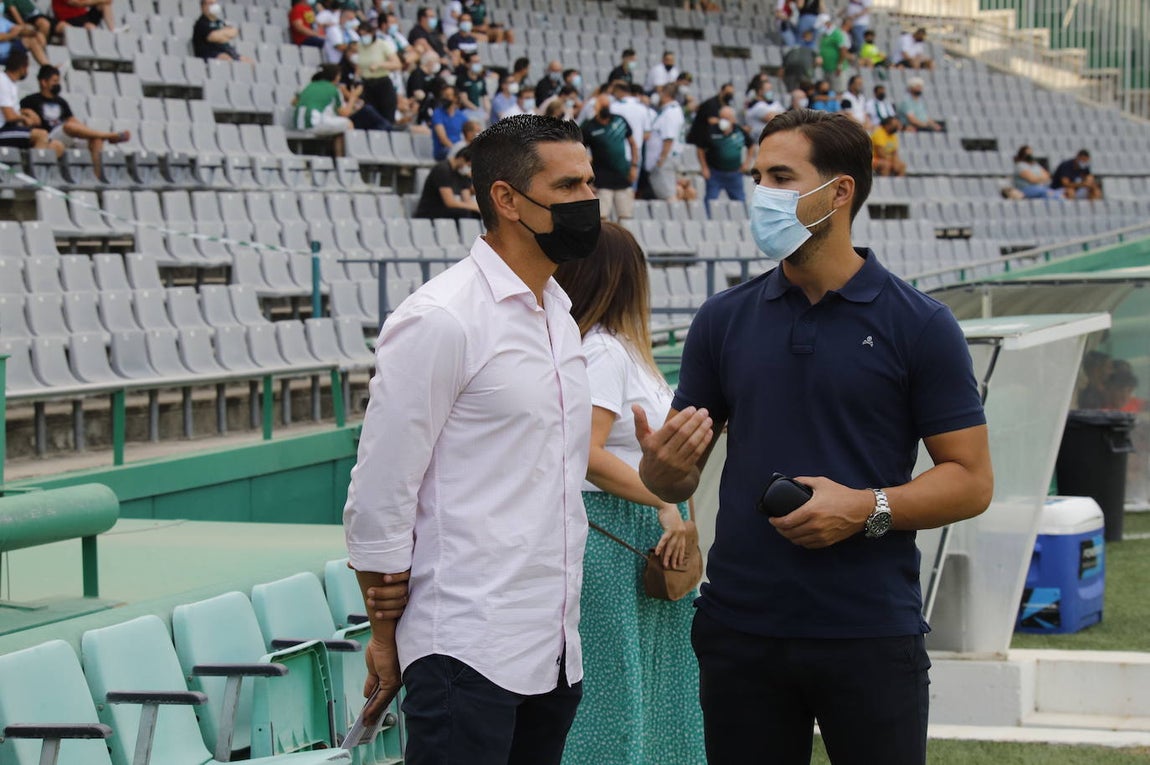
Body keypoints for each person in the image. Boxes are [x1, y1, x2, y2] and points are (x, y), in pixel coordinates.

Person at [635, 109, 993, 765]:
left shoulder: (920, 325)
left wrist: (865, 508)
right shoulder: (722, 320)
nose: (759, 194)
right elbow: (676, 478)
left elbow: (970, 479)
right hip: (740, 628)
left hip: (869, 630)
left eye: (780, 176)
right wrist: (661, 470)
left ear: (839, 192)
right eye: (756, 177)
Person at [345, 113, 597, 765]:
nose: (588, 201)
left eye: (590, 183)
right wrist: (384, 633)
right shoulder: (442, 318)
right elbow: (380, 496)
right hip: (465, 645)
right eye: (568, 186)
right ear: (507, 200)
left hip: (553, 646)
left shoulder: (560, 318)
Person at [552, 221, 706, 765]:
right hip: (616, 534)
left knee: (656, 687)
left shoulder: (623, 350)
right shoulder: (601, 351)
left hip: (648, 533)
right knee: (615, 691)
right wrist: (663, 502)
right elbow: (585, 454)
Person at [21, 64, 129, 175]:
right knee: (68, 126)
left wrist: (89, 133)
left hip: (66, 135)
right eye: (54, 81)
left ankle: (95, 179)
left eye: (58, 81)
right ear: (43, 82)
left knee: (96, 140)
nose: (57, 84)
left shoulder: (61, 101)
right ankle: (109, 136)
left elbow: (74, 120)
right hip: (48, 136)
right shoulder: (30, 100)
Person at [580, 94, 638, 220]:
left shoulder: (620, 120)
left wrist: (634, 166)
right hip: (601, 179)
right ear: (596, 107)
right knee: (601, 218)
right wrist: (587, 180)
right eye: (603, 105)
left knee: (626, 217)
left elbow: (633, 144)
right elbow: (580, 154)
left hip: (623, 175)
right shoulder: (589, 127)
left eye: (607, 105)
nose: (606, 108)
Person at [0, 49, 59, 152]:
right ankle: (33, 167)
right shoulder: (2, 81)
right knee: (41, 135)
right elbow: (9, 116)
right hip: (3, 130)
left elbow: (11, 110)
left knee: (57, 146)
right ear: (23, 67)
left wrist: (26, 112)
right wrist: (25, 119)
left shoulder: (12, 83)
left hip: (9, 128)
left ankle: (31, 163)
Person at [698, 105, 751, 213]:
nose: (723, 121)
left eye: (727, 119)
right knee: (710, 201)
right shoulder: (711, 131)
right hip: (715, 173)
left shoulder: (739, 131)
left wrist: (747, 163)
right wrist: (704, 167)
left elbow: (751, 146)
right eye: (721, 118)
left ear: (733, 119)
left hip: (734, 174)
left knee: (740, 201)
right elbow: (700, 149)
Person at [292, 63, 355, 156]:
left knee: (339, 129)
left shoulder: (308, 86)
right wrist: (353, 97)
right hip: (313, 123)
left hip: (298, 123)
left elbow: (294, 102)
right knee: (348, 124)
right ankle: (344, 162)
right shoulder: (334, 89)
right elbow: (345, 113)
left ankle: (340, 161)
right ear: (336, 76)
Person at [413, 142, 480, 219]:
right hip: (432, 210)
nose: (469, 169)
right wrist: (472, 207)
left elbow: (466, 198)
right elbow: (449, 202)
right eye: (469, 166)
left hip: (448, 211)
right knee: (465, 213)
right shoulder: (443, 170)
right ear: (461, 159)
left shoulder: (462, 173)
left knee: (476, 214)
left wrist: (476, 207)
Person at [643, 83, 686, 201]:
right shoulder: (672, 111)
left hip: (665, 160)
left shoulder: (670, 113)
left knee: (668, 195)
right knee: (670, 192)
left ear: (666, 94)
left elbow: (669, 138)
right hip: (667, 158)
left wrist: (661, 159)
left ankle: (676, 217)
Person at [2, 1, 48, 67]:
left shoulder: (3, 21)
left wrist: (35, 33)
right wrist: (11, 35)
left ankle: (48, 67)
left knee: (32, 39)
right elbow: (12, 33)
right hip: (3, 53)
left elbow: (20, 30)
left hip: (10, 48)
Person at [430, 84, 466, 159]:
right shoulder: (438, 114)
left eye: (448, 95)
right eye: (443, 96)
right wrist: (456, 150)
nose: (445, 98)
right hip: (443, 150)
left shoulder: (461, 115)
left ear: (455, 98)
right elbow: (443, 138)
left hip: (458, 149)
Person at [817, 16, 851, 94]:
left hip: (836, 68)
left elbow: (843, 50)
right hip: (826, 67)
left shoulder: (837, 33)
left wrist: (839, 65)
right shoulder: (824, 35)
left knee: (838, 90)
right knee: (827, 91)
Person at [781, 28, 816, 93]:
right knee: (793, 91)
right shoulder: (795, 46)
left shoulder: (812, 47)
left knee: (805, 89)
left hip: (804, 72)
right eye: (807, 36)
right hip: (793, 72)